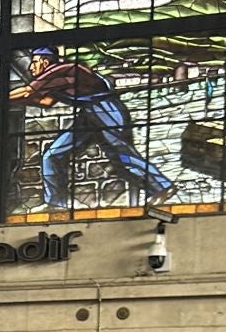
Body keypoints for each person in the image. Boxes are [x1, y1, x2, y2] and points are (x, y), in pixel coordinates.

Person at [10, 47, 176, 211]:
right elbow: (45, 102)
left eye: (34, 62)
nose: (31, 68)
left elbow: (27, 91)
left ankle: (162, 187)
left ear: (45, 62)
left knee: (122, 153)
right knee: (52, 155)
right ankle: (56, 204)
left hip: (105, 109)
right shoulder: (56, 80)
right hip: (88, 113)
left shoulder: (61, 70)